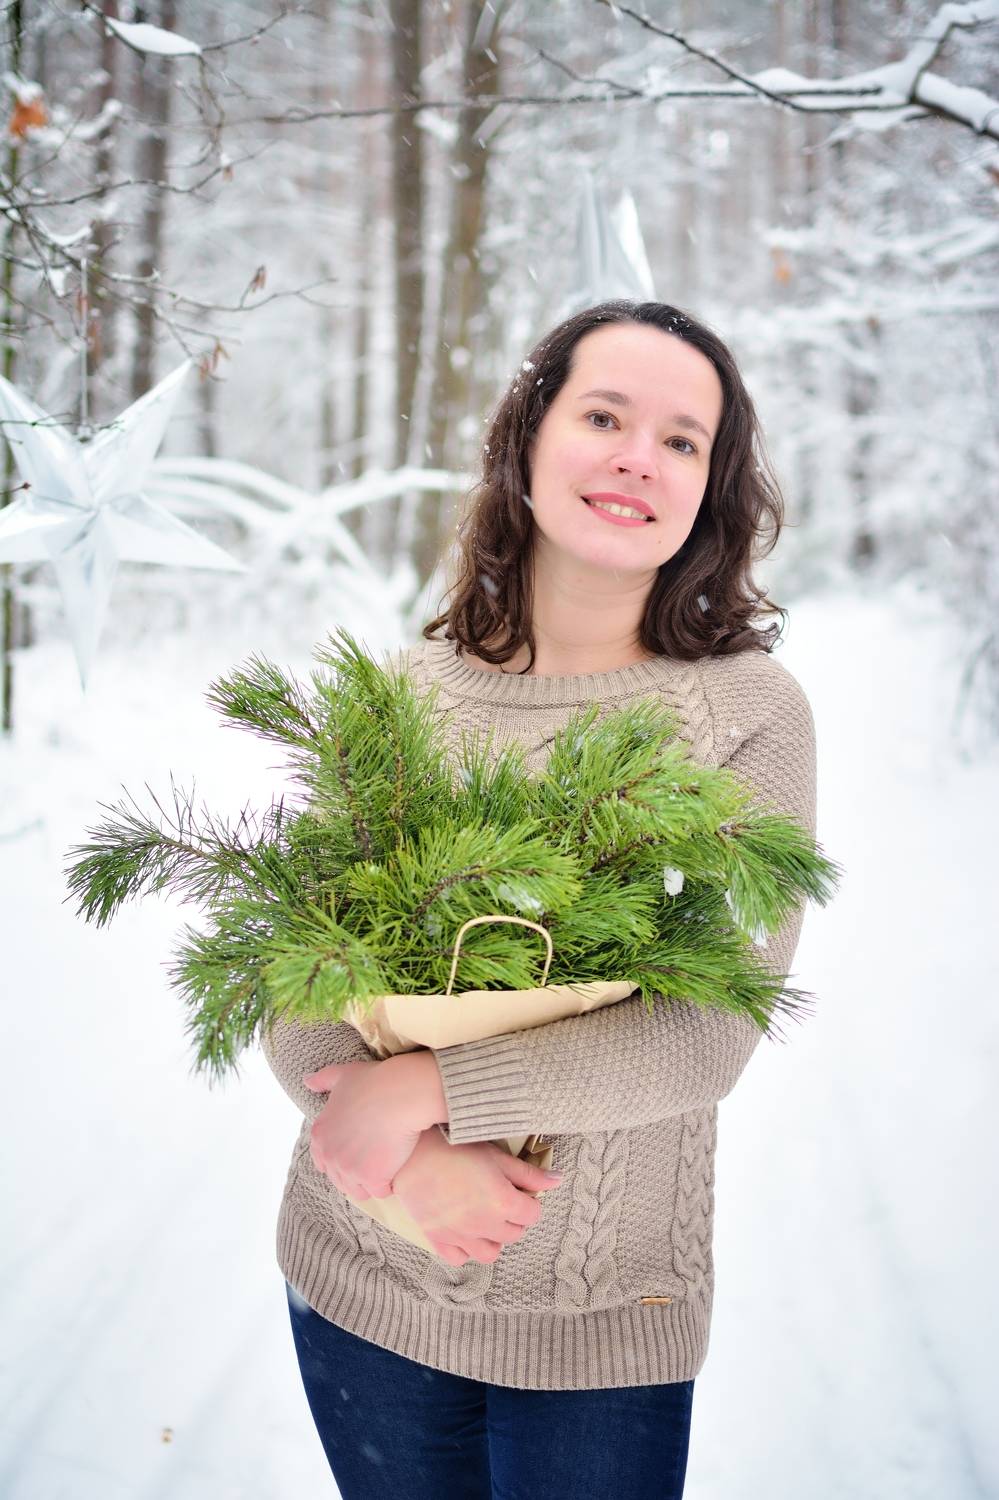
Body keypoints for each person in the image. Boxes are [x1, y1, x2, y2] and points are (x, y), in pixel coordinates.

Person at [261, 299, 817, 1499]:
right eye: (604, 417)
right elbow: (293, 977)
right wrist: (412, 1167)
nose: (637, 458)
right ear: (527, 438)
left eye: (681, 439)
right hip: (359, 1281)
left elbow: (708, 1028)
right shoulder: (400, 694)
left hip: (597, 1324)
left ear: (710, 486)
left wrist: (430, 1092)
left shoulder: (743, 714)